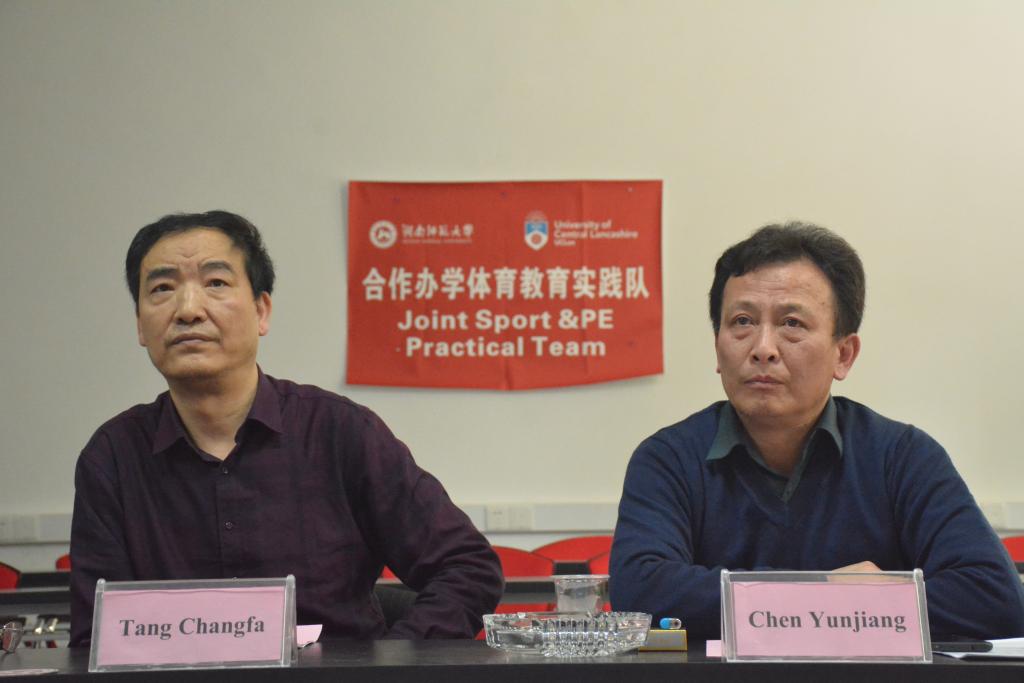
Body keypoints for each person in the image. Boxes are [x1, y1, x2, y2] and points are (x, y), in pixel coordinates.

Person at [69, 210, 502, 646]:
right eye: (162, 289)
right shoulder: (113, 457)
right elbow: (97, 639)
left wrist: (388, 662)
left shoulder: (340, 432)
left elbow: (467, 567)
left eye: (215, 283)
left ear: (261, 311)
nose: (188, 310)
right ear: (140, 325)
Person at [609, 221, 1024, 640]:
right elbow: (641, 594)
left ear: (843, 354)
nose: (763, 348)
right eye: (742, 321)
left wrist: (777, 602)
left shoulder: (902, 456)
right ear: (718, 346)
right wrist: (828, 592)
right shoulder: (669, 459)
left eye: (791, 323)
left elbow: (996, 598)